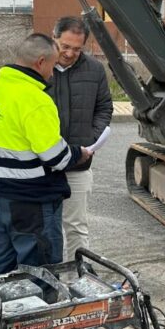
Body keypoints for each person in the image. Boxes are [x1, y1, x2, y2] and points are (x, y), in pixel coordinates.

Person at [0, 33, 91, 275]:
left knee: (0, 266)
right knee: (42, 272)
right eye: (52, 65)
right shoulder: (36, 100)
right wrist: (79, 154)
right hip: (33, 203)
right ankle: (39, 311)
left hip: (0, 196)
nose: (53, 72)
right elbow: (55, 157)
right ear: (41, 62)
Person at [49, 17, 114, 261]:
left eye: (77, 49)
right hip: (41, 164)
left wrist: (92, 138)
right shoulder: (38, 66)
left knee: (76, 225)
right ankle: (47, 278)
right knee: (44, 225)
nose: (69, 53)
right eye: (64, 46)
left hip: (78, 162)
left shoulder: (94, 70)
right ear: (53, 37)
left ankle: (78, 274)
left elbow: (104, 107)